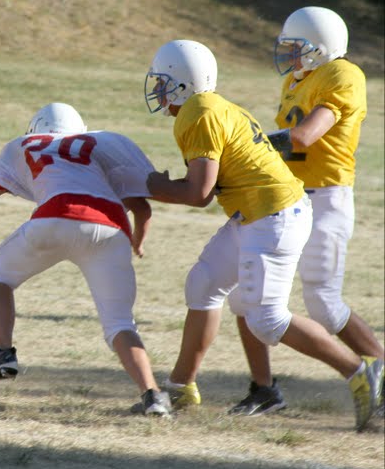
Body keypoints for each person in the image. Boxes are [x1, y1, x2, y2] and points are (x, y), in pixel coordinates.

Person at [143, 39, 383, 431]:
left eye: (163, 82)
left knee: (267, 320)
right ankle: (181, 386)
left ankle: (360, 371)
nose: (157, 90)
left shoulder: (198, 114)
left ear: (182, 85)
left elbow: (199, 194)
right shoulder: (209, 106)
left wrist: (147, 186)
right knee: (203, 284)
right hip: (258, 212)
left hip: (273, 216)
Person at [0, 102, 173, 416]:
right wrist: (137, 241)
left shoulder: (27, 145)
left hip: (53, 219)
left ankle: (2, 353)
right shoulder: (100, 146)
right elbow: (143, 209)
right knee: (119, 323)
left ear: (36, 130)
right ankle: (153, 396)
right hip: (111, 227)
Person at [228, 7, 385, 416]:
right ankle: (263, 390)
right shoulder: (296, 80)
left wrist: (246, 147)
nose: (289, 56)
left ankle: (380, 371)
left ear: (321, 49)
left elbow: (304, 136)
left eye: (296, 48)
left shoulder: (342, 74)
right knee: (246, 295)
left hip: (327, 196)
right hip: (289, 196)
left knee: (323, 304)